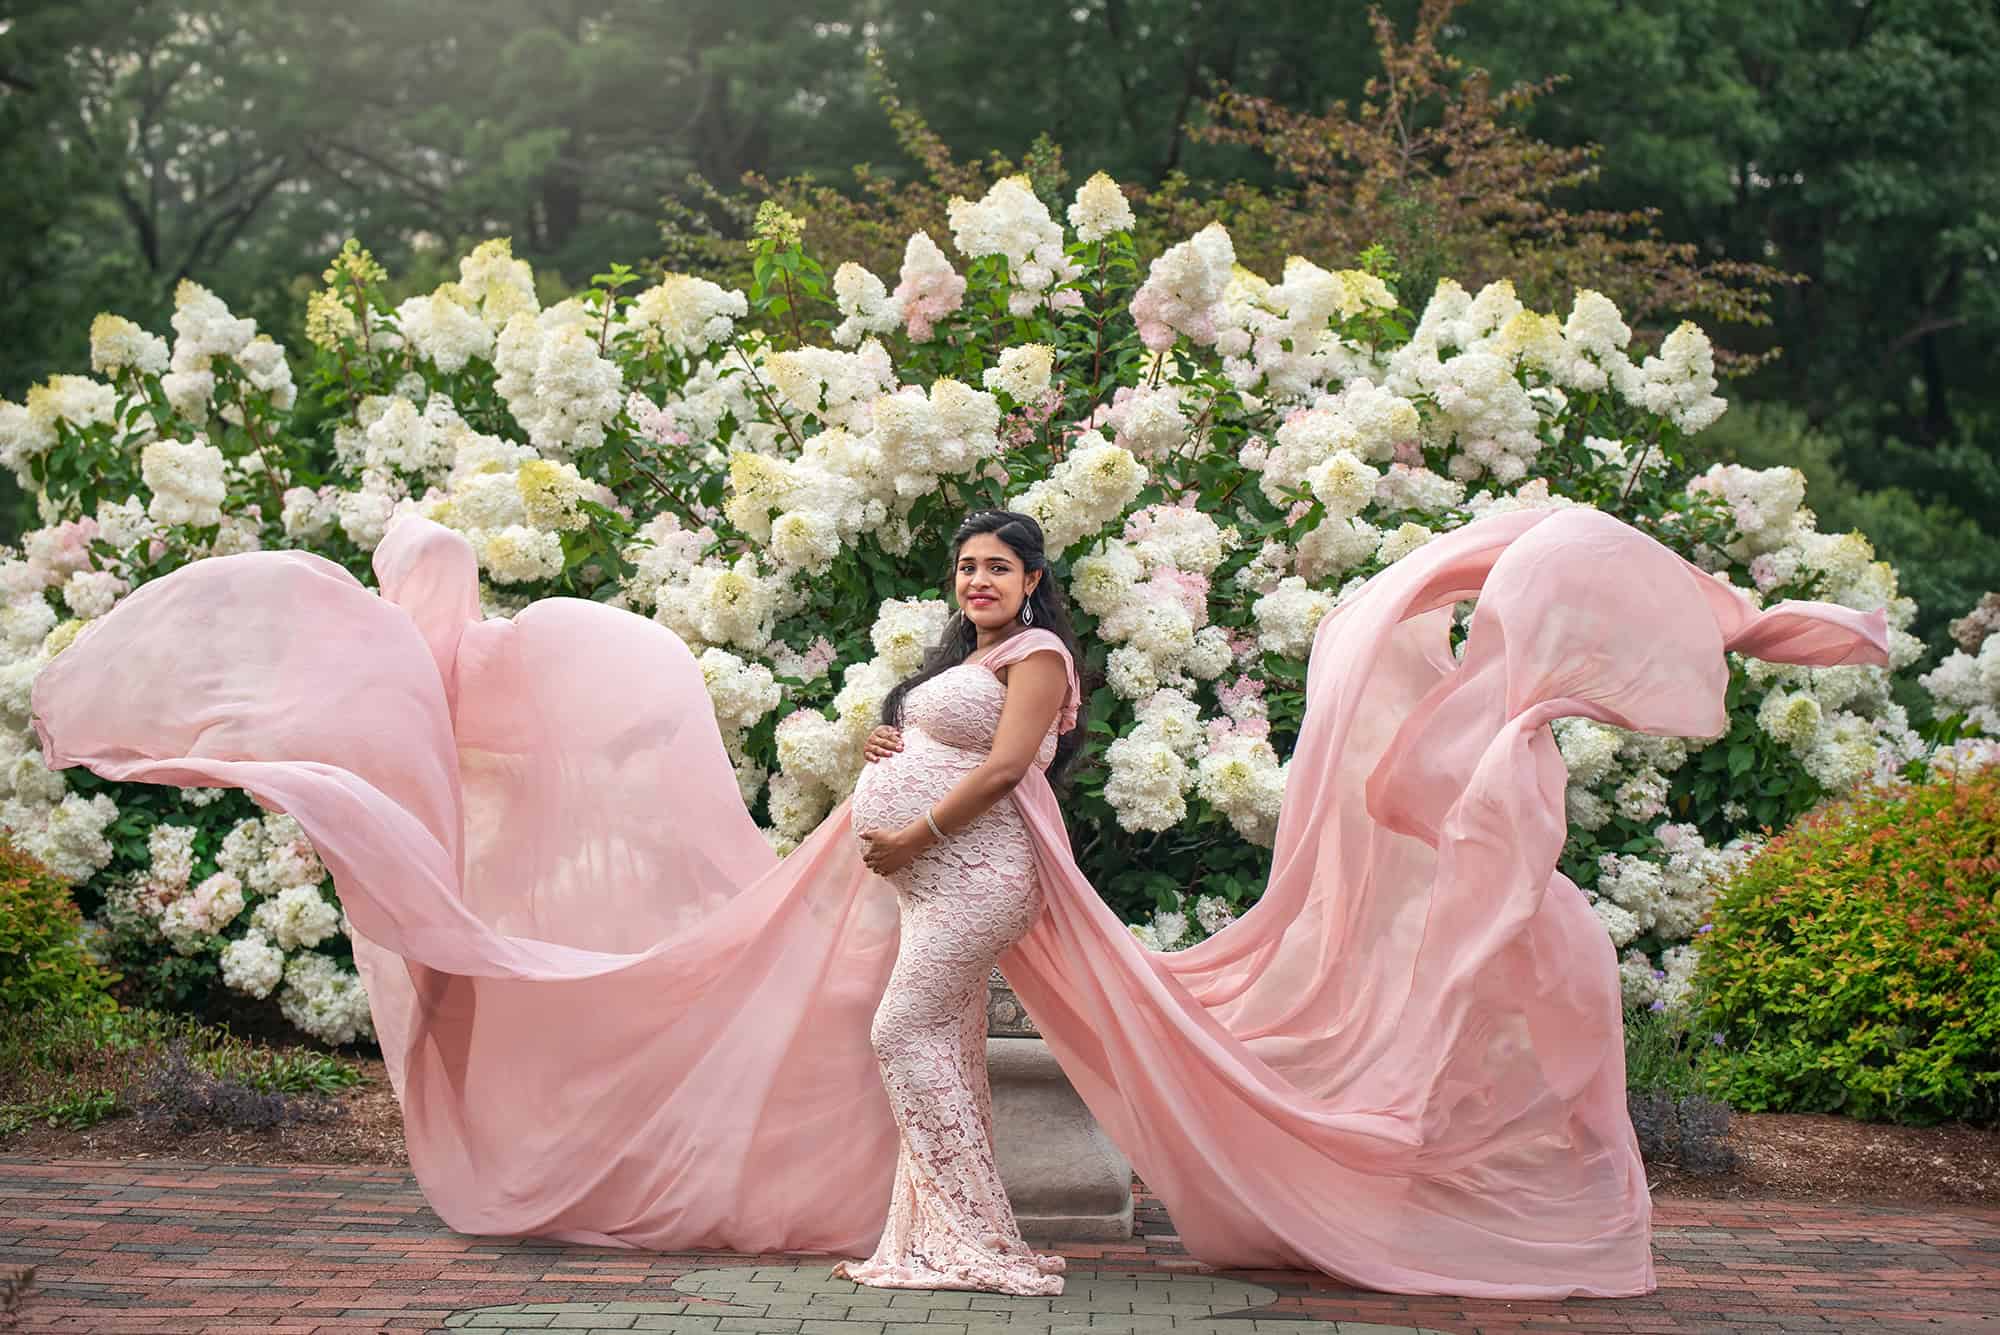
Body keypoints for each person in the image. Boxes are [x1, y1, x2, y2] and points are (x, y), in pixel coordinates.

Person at [29, 503, 1890, 1301]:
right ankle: (943, 1236)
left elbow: (1009, 772)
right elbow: (931, 737)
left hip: (972, 860)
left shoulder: (1050, 662)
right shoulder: (955, 646)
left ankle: (982, 1244)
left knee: (909, 1020)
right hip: (915, 846)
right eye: (972, 570)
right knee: (879, 1023)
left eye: (1002, 564)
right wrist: (879, 791)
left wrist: (912, 830)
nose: (986, 584)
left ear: (1035, 580)